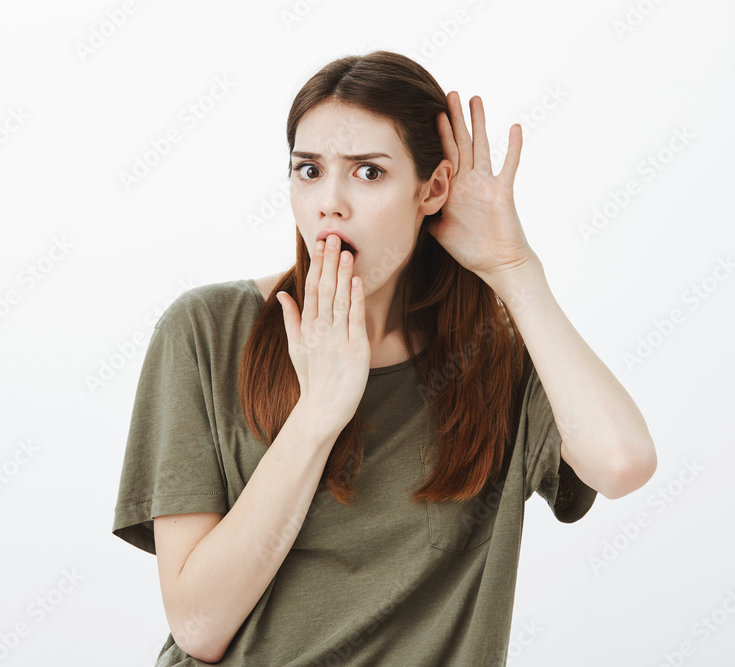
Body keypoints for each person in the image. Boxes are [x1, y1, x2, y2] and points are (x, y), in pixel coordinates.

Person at [111, 50, 657, 665]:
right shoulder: (206, 330)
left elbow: (622, 463)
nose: (330, 203)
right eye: (309, 171)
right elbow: (197, 625)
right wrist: (319, 411)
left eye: (369, 173)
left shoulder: (495, 355)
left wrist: (514, 268)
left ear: (434, 188)